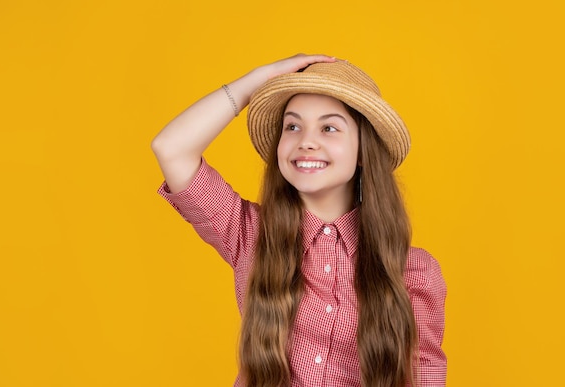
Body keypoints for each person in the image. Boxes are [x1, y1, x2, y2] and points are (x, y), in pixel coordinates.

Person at [152, 54, 446, 387]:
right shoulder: (249, 235)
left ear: (363, 151)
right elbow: (171, 148)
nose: (306, 141)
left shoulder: (415, 272)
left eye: (329, 127)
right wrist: (257, 80)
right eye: (292, 126)